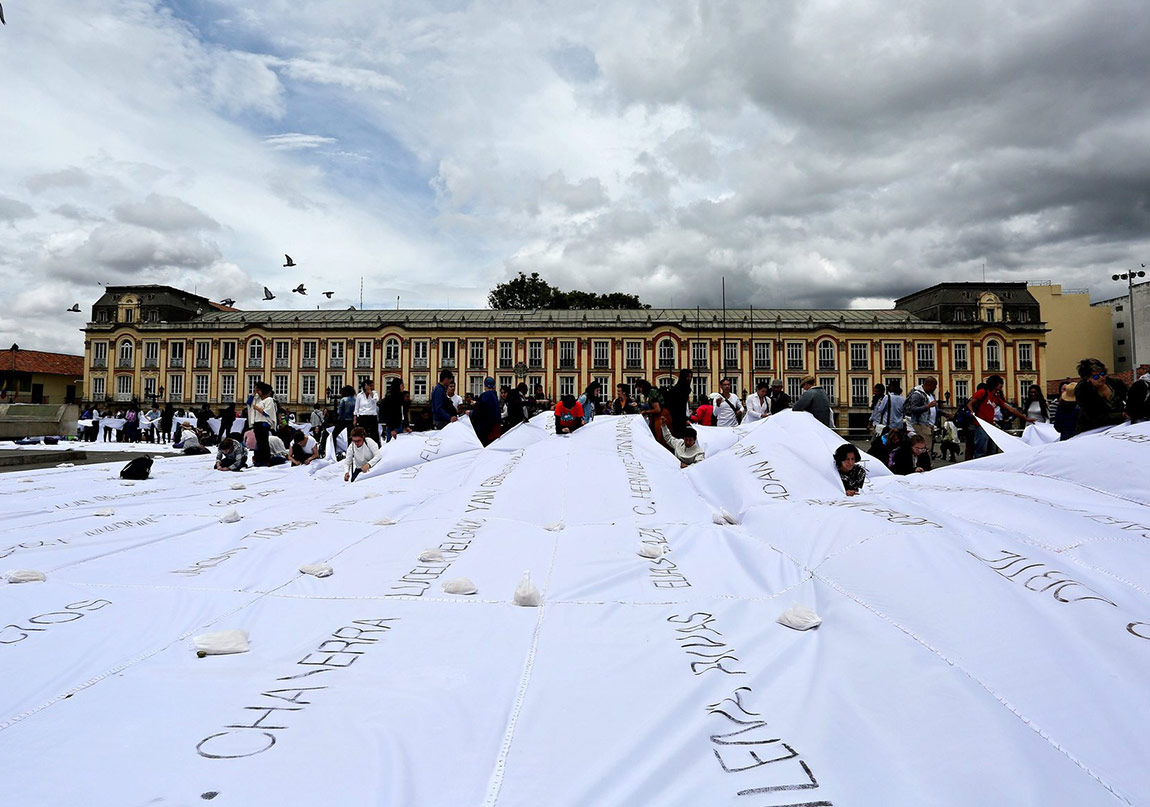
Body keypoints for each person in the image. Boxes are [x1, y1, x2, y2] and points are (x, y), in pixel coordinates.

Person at [967, 375, 1033, 458]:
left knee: (992, 449)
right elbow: (970, 403)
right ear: (994, 384)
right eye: (1000, 385)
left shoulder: (996, 398)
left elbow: (1010, 409)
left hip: (990, 425)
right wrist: (971, 411)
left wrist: (1025, 418)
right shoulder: (982, 392)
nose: (1001, 387)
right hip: (980, 425)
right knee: (981, 449)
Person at [1074, 358, 1128, 433]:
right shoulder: (1082, 390)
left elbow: (1129, 398)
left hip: (1118, 426)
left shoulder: (1116, 383)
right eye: (1096, 377)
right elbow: (1093, 416)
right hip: (1092, 429)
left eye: (1102, 374)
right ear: (1087, 378)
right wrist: (1121, 415)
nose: (1101, 377)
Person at [906, 377, 940, 452]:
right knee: (925, 448)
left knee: (928, 447)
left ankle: (926, 462)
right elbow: (913, 409)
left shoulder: (931, 395)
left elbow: (933, 409)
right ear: (929, 385)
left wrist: (945, 413)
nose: (935, 388)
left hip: (930, 425)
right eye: (935, 385)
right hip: (921, 425)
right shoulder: (917, 394)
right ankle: (924, 463)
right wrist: (928, 406)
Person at [472, 377, 503, 445]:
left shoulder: (485, 395)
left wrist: (471, 412)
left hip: (485, 429)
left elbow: (481, 411)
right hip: (495, 428)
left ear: (485, 386)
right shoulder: (494, 395)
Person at [380, 378, 411, 442]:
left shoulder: (402, 397)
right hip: (393, 426)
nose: (403, 387)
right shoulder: (390, 398)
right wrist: (392, 429)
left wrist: (407, 425)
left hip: (401, 424)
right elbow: (388, 414)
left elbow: (404, 412)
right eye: (402, 385)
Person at [663, 370, 692, 437]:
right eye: (687, 376)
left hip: (681, 417)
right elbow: (679, 407)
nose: (689, 378)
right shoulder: (679, 389)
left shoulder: (684, 389)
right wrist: (685, 419)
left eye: (690, 377)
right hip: (677, 418)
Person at [331, 385, 356, 455]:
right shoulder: (355, 399)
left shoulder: (343, 400)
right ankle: (350, 453)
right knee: (350, 437)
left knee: (334, 435)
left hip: (342, 420)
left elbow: (339, 411)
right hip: (351, 421)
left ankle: (334, 451)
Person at [354, 379, 380, 444]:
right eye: (370, 386)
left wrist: (370, 392)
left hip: (372, 416)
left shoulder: (374, 393)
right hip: (363, 417)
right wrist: (355, 418)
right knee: (363, 433)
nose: (372, 387)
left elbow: (376, 400)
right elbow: (356, 408)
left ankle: (376, 447)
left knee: (374, 434)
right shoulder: (359, 395)